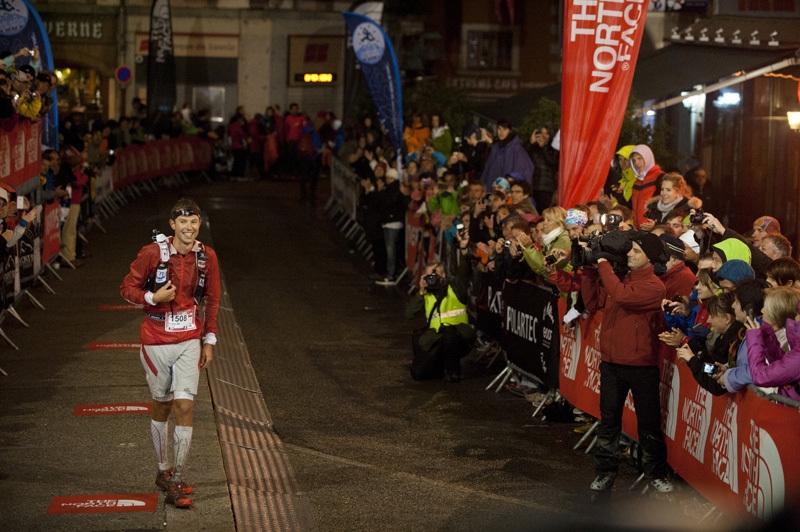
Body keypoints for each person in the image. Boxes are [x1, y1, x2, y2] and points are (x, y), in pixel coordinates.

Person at [119, 199, 221, 509]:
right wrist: (152, 296)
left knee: (185, 407)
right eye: (183, 222)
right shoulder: (152, 253)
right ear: (172, 225)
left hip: (189, 340)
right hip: (155, 340)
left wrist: (209, 341)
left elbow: (213, 300)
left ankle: (177, 478)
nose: (189, 227)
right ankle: (163, 469)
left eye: (194, 222)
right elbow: (126, 288)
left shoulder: (207, 256)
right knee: (161, 406)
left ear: (199, 225)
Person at [580, 231, 673, 496]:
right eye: (629, 250)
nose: (629, 254)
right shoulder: (617, 278)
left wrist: (601, 263)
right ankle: (604, 473)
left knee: (648, 423)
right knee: (609, 421)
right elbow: (593, 302)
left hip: (641, 365)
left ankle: (656, 473)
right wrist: (588, 271)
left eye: (636, 251)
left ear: (649, 259)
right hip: (611, 363)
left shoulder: (655, 286)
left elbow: (622, 297)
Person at [406, 228, 475, 382]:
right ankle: (437, 366)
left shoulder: (455, 287)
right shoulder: (425, 294)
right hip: (436, 338)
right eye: (429, 276)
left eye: (435, 275)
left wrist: (464, 247)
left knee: (449, 336)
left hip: (459, 337)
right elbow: (408, 314)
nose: (433, 279)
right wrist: (421, 292)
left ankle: (453, 372)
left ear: (443, 275)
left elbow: (464, 271)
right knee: (418, 373)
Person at [480, 119, 533, 189]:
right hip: (494, 188)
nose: (501, 132)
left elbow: (523, 169)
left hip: (508, 190)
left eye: (504, 129)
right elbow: (489, 169)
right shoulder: (496, 147)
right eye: (499, 129)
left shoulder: (516, 148)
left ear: (510, 131)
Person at [629, 144, 664, 230]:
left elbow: (663, 203)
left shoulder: (659, 177)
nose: (636, 163)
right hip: (638, 229)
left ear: (647, 157)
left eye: (639, 158)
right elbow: (632, 206)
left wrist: (656, 222)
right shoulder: (637, 182)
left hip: (653, 229)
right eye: (634, 160)